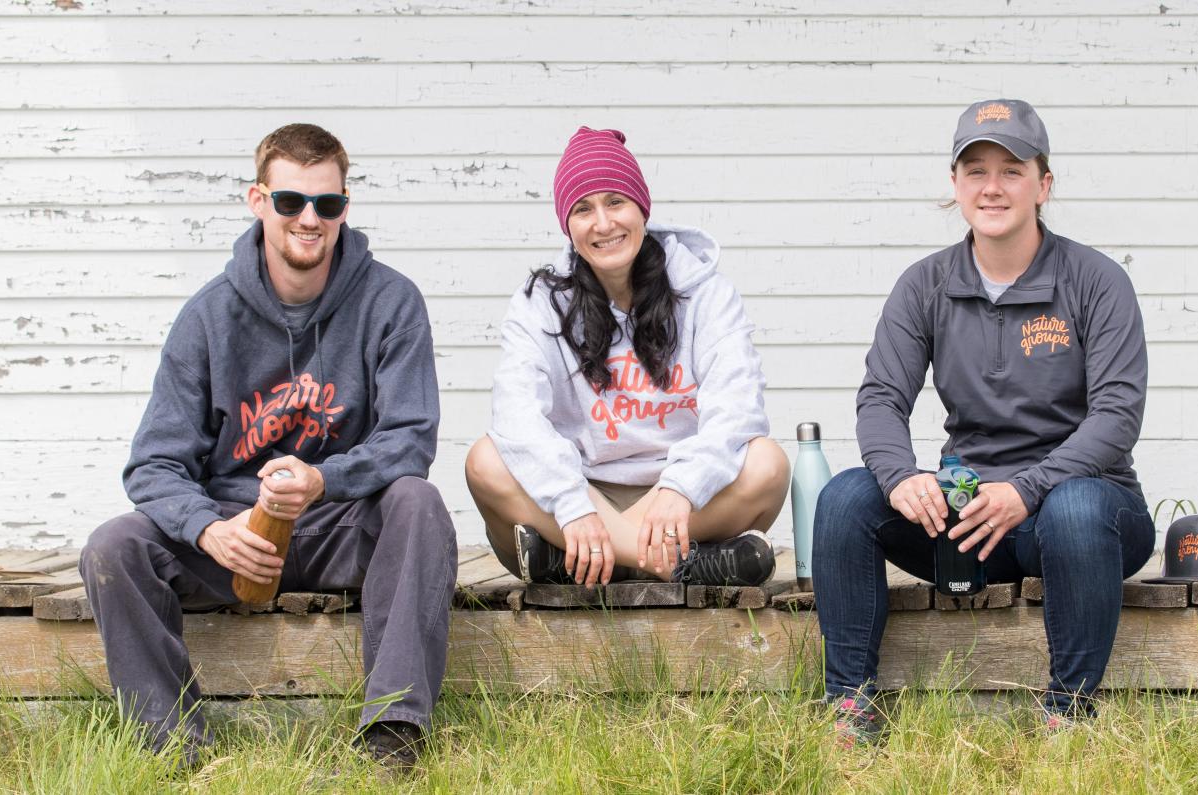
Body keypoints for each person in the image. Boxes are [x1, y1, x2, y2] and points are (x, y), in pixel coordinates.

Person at [78, 123, 457, 771]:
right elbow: (154, 463)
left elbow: (410, 439)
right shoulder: (207, 318)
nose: (309, 219)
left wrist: (322, 479)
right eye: (290, 202)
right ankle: (173, 748)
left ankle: (393, 734)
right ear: (258, 200)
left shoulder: (390, 301)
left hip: (340, 521)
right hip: (234, 533)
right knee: (113, 545)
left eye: (327, 203)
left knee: (418, 502)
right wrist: (209, 528)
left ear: (344, 206)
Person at [813, 99, 1154, 744]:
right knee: (846, 497)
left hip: (1082, 514)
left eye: (1012, 169)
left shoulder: (1096, 280)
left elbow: (1116, 417)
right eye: (976, 170)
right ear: (955, 184)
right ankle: (850, 708)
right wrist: (899, 477)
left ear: (1043, 184)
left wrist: (1026, 491)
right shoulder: (924, 285)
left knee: (1076, 508)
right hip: (971, 518)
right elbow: (882, 397)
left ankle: (1070, 714)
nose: (992, 187)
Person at [466, 127, 789, 589]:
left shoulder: (706, 293)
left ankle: (588, 565)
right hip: (580, 496)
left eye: (615, 201)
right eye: (583, 209)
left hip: (680, 503)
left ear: (642, 208)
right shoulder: (540, 302)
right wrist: (572, 504)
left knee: (767, 464)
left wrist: (681, 486)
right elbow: (516, 416)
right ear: (567, 224)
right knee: (485, 460)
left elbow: (738, 410)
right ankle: (669, 565)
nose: (603, 224)